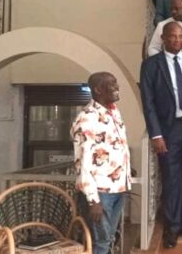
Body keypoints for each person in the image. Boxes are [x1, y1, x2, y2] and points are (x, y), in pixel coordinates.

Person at [140, 22, 182, 248]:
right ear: (163, 38)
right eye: (172, 36)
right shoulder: (151, 65)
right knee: (172, 178)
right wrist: (156, 135)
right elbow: (148, 103)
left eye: (180, 36)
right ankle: (172, 227)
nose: (177, 40)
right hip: (169, 129)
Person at [71, 72, 131, 254]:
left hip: (117, 188)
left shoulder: (113, 112)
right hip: (99, 194)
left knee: (108, 239)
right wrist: (92, 201)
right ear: (98, 90)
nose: (117, 87)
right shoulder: (87, 119)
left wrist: (126, 168)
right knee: (100, 242)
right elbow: (83, 162)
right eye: (112, 84)